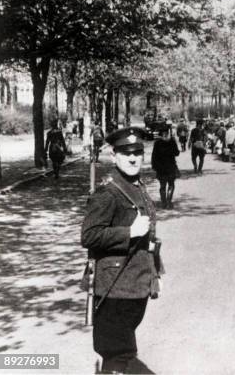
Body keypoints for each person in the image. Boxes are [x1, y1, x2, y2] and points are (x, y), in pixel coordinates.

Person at [81, 127, 162, 374]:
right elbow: (89, 235)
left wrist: (154, 274)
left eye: (137, 152)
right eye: (126, 153)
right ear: (114, 156)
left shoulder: (137, 186)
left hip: (137, 283)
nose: (133, 158)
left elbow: (150, 238)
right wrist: (129, 232)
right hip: (115, 287)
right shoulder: (109, 192)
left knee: (120, 353)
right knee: (118, 352)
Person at [151, 125, 180, 209]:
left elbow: (154, 156)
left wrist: (154, 166)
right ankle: (169, 202)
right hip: (171, 166)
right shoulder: (171, 141)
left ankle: (164, 203)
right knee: (171, 184)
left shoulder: (157, 143)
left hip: (160, 168)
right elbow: (177, 153)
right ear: (167, 133)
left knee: (162, 186)